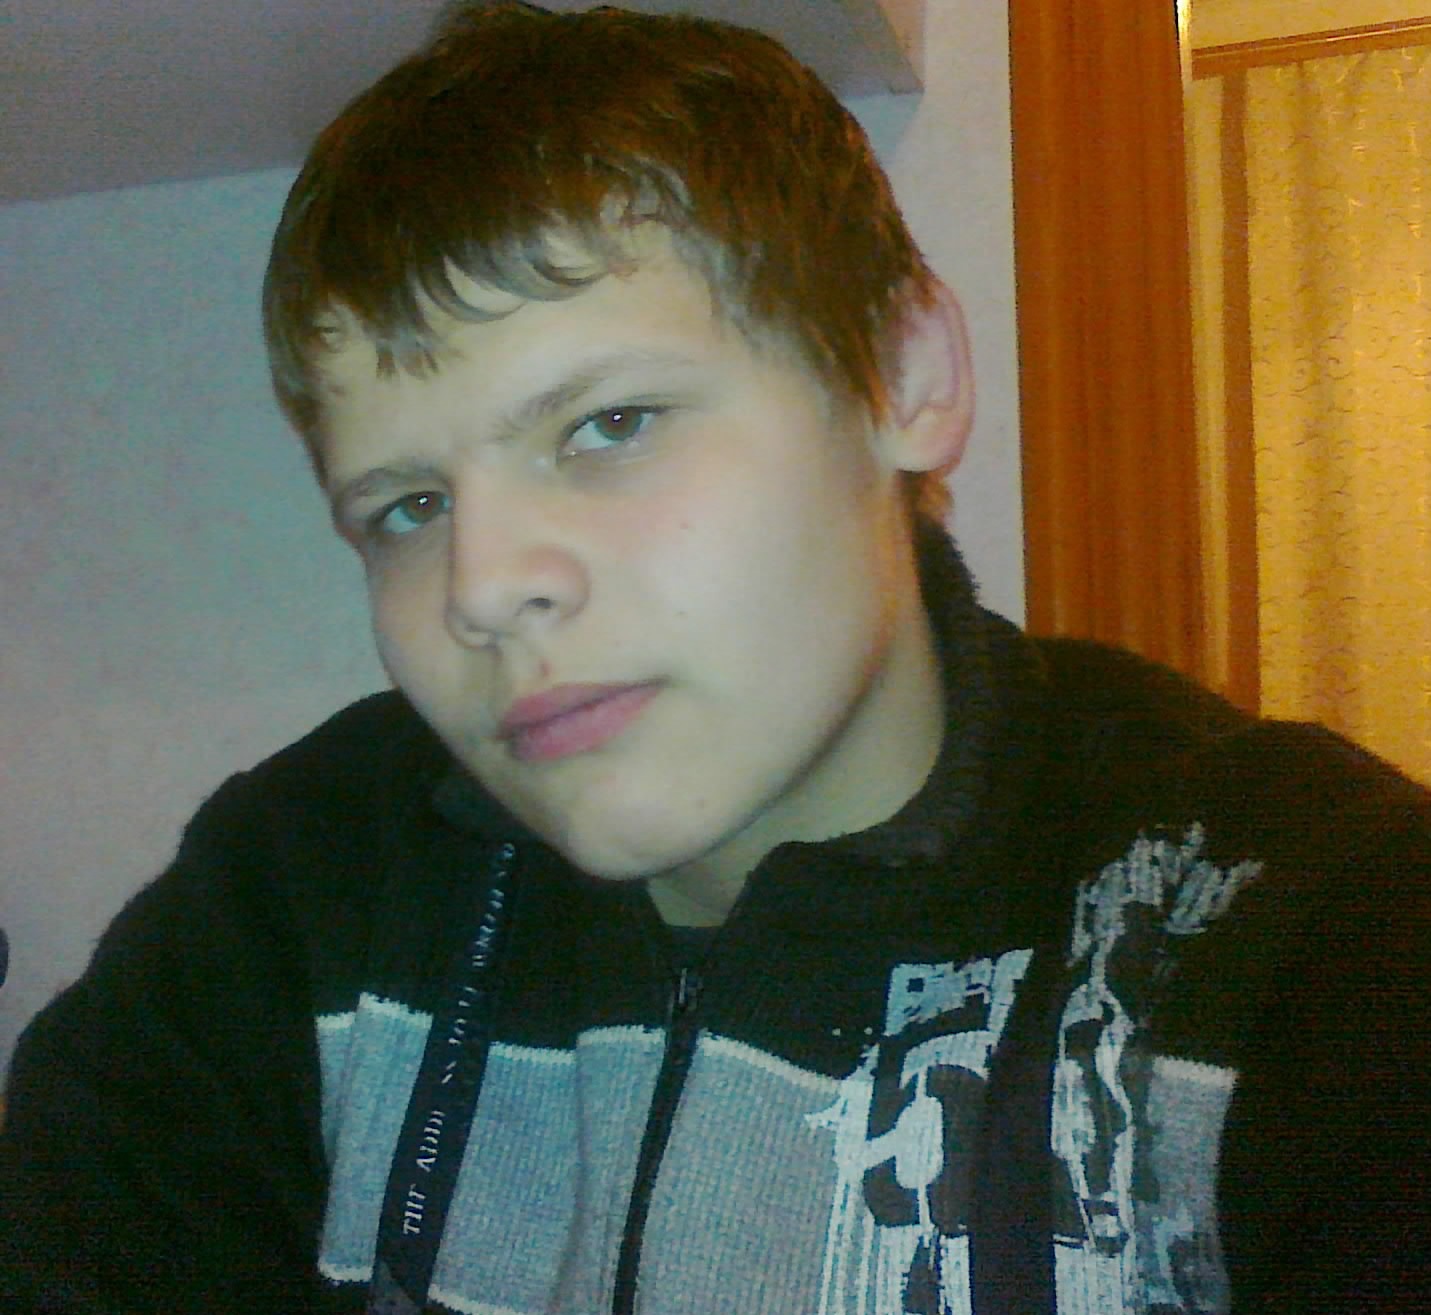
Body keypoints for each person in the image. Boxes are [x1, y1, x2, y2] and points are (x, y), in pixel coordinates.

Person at [2, 5, 1427, 1313]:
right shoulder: (295, 895)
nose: (484, 588)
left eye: (608, 425)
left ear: (904, 375)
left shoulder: (1315, 934)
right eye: (409, 508)